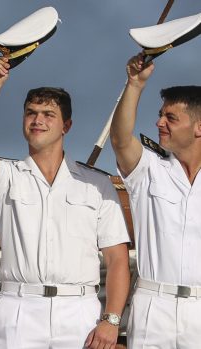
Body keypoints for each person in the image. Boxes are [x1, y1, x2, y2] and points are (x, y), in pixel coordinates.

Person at [0, 56, 131, 349]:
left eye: (48, 114)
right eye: (31, 113)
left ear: (66, 125)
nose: (38, 120)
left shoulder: (97, 185)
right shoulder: (6, 178)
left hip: (80, 311)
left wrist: (112, 320)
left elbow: (117, 260)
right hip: (18, 309)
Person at [110, 54, 201, 348]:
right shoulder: (148, 168)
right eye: (161, 114)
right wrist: (135, 84)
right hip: (153, 307)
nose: (159, 122)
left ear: (199, 128)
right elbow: (121, 140)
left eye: (171, 118)